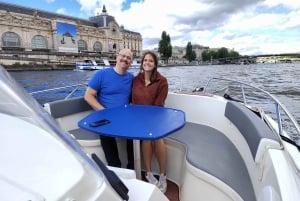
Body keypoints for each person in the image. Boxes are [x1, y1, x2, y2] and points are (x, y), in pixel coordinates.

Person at [84, 48, 134, 169]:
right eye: (123, 56)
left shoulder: (131, 78)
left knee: (136, 134)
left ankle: (132, 168)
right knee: (106, 134)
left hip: (124, 117)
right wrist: (104, 111)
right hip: (105, 116)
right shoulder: (101, 74)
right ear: (117, 57)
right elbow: (88, 96)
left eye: (128, 58)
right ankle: (115, 168)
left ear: (131, 62)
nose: (125, 59)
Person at [131, 50, 168, 193]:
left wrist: (149, 121)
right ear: (142, 63)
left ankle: (163, 175)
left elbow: (159, 105)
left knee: (158, 138)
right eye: (145, 60)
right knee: (146, 139)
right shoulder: (136, 79)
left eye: (151, 61)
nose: (147, 63)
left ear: (155, 64)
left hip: (156, 116)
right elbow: (134, 100)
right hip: (139, 117)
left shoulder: (162, 81)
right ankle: (149, 174)